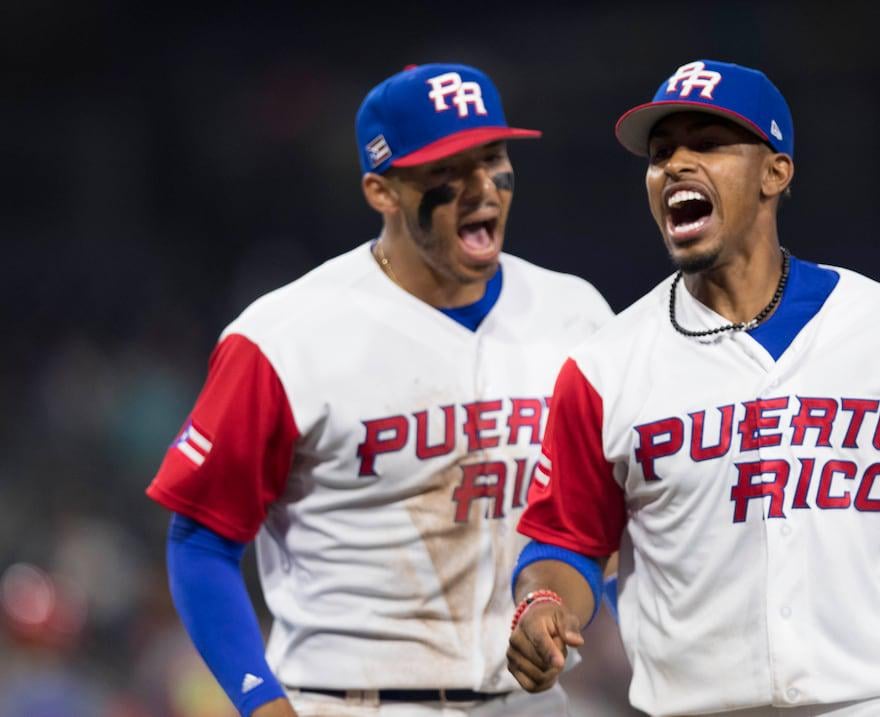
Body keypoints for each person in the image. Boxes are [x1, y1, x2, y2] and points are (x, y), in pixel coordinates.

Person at [505, 60, 880, 717]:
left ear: (777, 171)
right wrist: (543, 603)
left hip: (878, 702)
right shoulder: (605, 367)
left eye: (709, 144)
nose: (677, 164)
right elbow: (564, 541)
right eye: (662, 153)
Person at [146, 63, 612, 717]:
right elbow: (199, 539)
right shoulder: (284, 336)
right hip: (350, 699)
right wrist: (260, 700)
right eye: (448, 169)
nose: (482, 187)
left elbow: (604, 517)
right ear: (382, 190)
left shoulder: (576, 314)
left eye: (493, 157)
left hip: (528, 700)